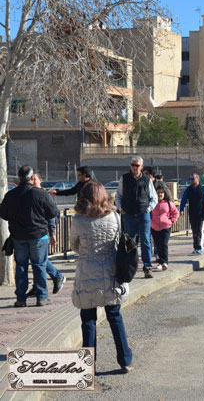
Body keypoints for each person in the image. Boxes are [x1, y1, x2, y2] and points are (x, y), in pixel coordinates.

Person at [70, 181, 132, 373]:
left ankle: (89, 366)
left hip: (87, 271)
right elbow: (116, 242)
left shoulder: (79, 220)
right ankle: (125, 359)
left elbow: (74, 245)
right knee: (114, 316)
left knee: (88, 319)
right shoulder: (114, 216)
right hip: (110, 272)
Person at [0, 166, 61, 307]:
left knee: (21, 267)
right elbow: (53, 212)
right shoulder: (40, 194)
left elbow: (3, 214)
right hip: (38, 236)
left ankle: (21, 299)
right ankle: (42, 297)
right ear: (32, 178)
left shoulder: (11, 195)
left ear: (18, 178)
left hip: (18, 237)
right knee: (39, 265)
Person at [115, 156, 158, 278]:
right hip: (128, 215)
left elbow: (154, 197)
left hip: (143, 214)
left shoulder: (146, 180)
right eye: (132, 165)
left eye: (137, 165)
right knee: (130, 242)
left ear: (141, 167)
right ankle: (130, 268)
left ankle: (147, 266)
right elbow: (118, 195)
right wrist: (120, 208)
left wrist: (148, 208)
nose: (134, 167)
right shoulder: (124, 178)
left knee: (145, 240)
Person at [26, 172, 66, 297]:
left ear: (40, 180)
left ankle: (57, 276)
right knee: (36, 260)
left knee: (39, 260)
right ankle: (37, 286)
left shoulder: (43, 195)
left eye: (35, 179)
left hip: (42, 233)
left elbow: (52, 216)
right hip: (32, 232)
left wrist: (52, 233)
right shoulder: (29, 194)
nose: (33, 181)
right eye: (31, 179)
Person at [180, 173, 204, 255]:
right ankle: (195, 247)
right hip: (192, 213)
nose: (191, 180)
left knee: (199, 230)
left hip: (201, 213)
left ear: (197, 179)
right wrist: (181, 209)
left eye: (193, 179)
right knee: (194, 231)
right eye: (190, 179)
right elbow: (184, 199)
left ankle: (199, 248)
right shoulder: (188, 189)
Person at [151, 183, 178, 271]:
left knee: (164, 244)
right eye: (158, 193)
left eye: (162, 193)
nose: (160, 194)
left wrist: (172, 221)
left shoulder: (169, 203)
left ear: (164, 194)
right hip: (154, 227)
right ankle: (160, 261)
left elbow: (175, 212)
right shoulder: (152, 203)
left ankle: (164, 262)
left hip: (165, 226)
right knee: (157, 245)